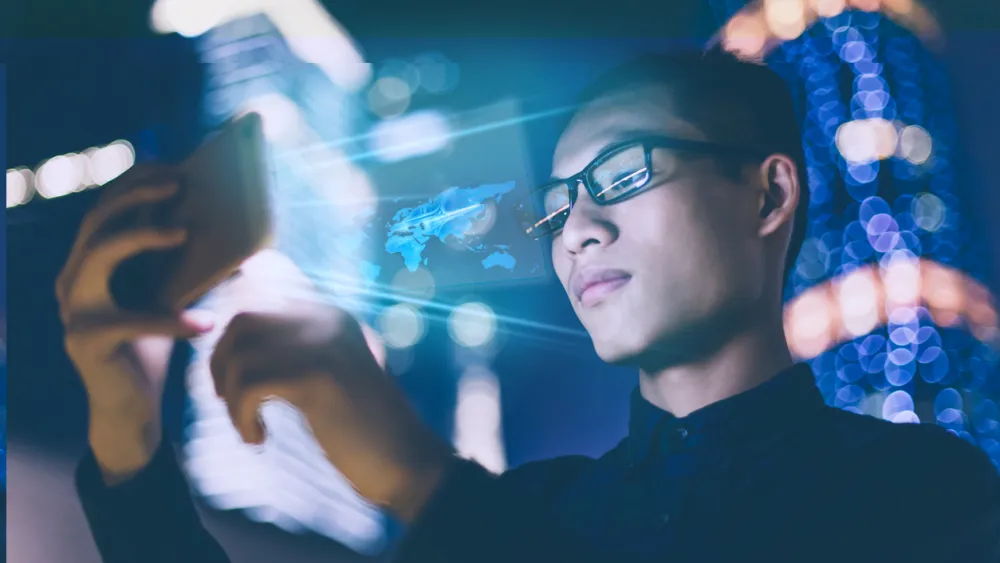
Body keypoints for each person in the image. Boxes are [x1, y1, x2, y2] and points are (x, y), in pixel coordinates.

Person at [62, 49, 1000, 563]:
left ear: (767, 195)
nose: (577, 228)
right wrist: (122, 422)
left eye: (623, 173)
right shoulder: (538, 508)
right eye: (554, 205)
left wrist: (418, 476)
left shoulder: (921, 494)